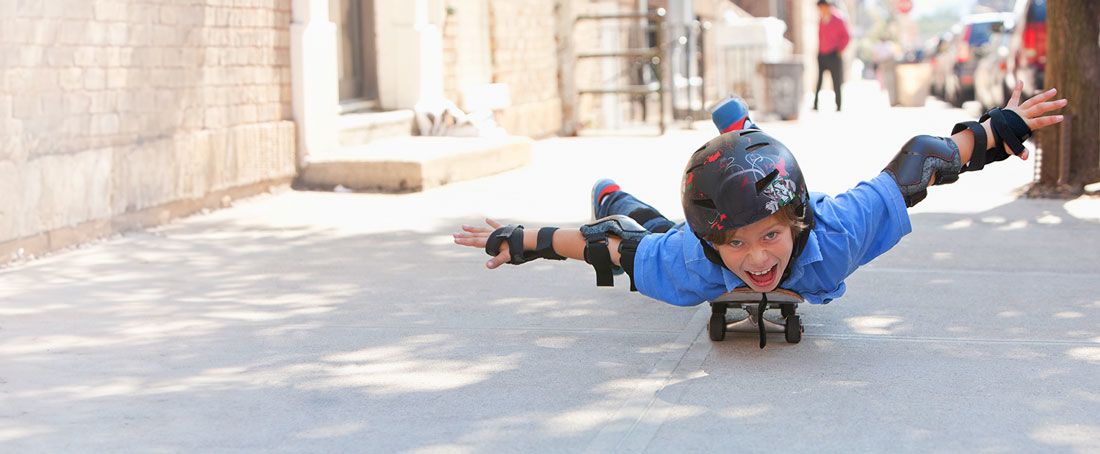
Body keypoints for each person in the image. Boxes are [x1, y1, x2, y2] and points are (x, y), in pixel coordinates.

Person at [452, 83, 1066, 309]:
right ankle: (614, 190)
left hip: (776, 193)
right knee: (649, 235)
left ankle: (739, 130)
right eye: (735, 245)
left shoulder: (836, 231)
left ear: (797, 223)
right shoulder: (693, 261)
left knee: (739, 186)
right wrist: (523, 239)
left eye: (769, 236)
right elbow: (610, 249)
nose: (755, 260)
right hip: (691, 229)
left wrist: (989, 133)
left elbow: (918, 166)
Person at [813, 0, 850, 112]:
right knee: (819, 81)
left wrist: (840, 49)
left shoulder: (838, 19)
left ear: (826, 6)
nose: (820, 10)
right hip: (822, 54)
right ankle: (815, 104)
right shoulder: (821, 20)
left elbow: (847, 36)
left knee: (836, 81)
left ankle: (838, 105)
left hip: (834, 54)